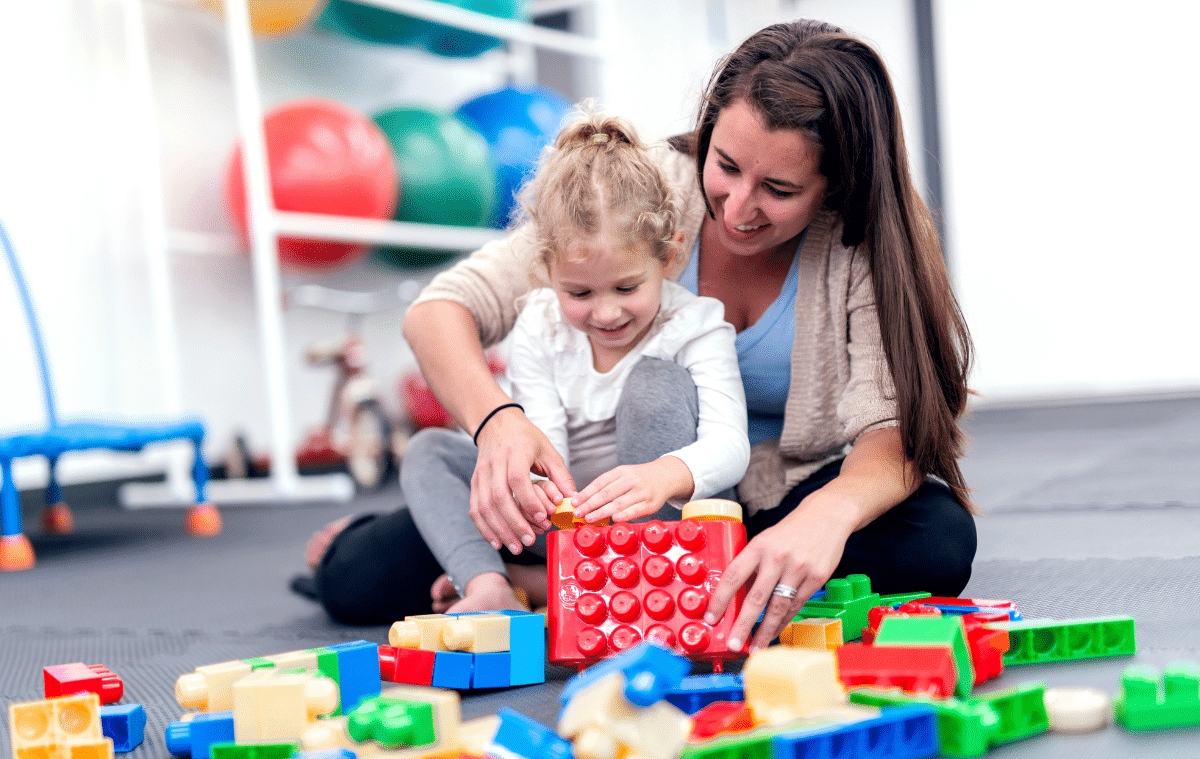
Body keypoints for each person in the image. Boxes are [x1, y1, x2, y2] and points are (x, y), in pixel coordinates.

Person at [308, 19, 976, 649]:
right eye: (727, 166)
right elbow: (439, 312)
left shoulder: (866, 245)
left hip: (761, 499)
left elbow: (893, 431)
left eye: (778, 188)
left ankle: (573, 589)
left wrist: (823, 519)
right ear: (707, 134)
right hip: (602, 492)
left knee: (936, 540)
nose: (738, 209)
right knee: (355, 578)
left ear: (837, 183)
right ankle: (571, 580)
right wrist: (498, 424)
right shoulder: (643, 190)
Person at [396, 110, 748, 614]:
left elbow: (730, 445)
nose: (606, 312)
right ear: (544, 271)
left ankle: (620, 585)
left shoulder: (697, 324)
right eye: (579, 291)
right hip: (567, 526)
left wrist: (661, 476)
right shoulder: (539, 321)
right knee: (428, 451)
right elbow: (543, 442)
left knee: (655, 384)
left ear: (669, 258)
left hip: (665, 520)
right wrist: (538, 490)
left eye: (628, 287)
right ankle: (489, 586)